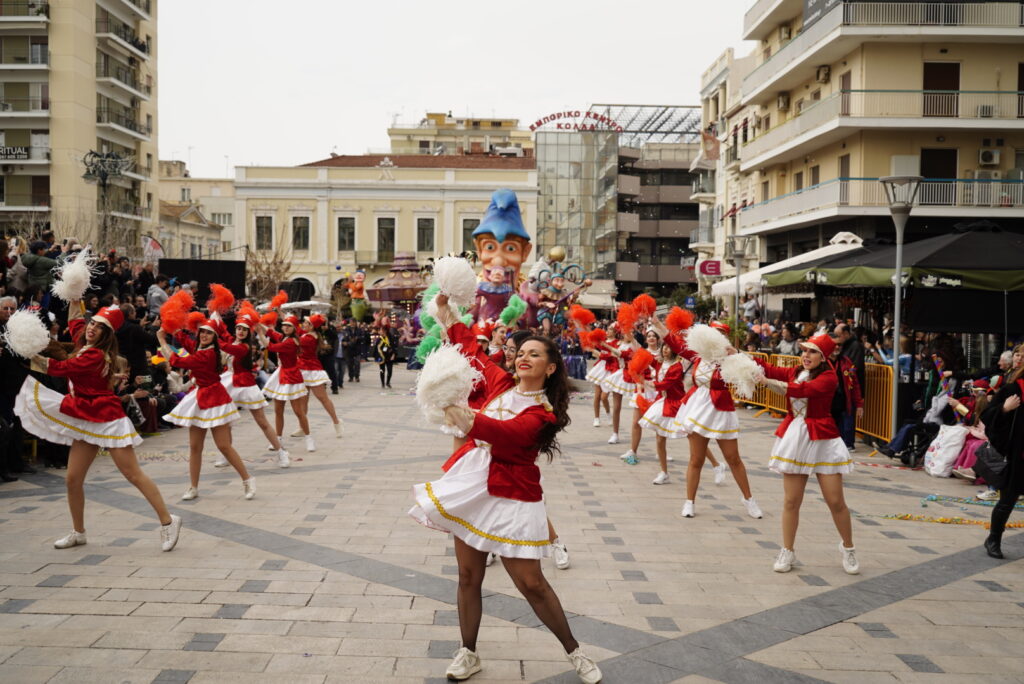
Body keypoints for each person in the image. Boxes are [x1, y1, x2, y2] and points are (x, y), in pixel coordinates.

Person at [409, 294, 602, 684]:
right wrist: (446, 312)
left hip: (514, 494)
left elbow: (504, 434)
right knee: (467, 577)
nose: (523, 358)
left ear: (550, 368)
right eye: (520, 353)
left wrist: (457, 411)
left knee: (531, 583)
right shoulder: (499, 383)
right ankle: (468, 652)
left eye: (534, 354)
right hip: (474, 486)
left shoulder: (542, 413)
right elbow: (468, 350)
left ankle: (575, 651)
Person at [15, 302, 181, 551]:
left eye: (100, 327)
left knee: (132, 474)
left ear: (108, 335)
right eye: (93, 323)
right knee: (72, 479)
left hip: (108, 418)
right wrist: (71, 296)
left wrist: (24, 353)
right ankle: (78, 531)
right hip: (85, 417)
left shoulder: (92, 354)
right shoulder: (86, 345)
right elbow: (75, 324)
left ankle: (168, 521)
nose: (92, 328)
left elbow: (60, 368)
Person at [755, 334, 858, 574]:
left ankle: (848, 548)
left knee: (835, 501)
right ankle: (787, 551)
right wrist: (736, 356)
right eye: (804, 351)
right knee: (791, 501)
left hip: (823, 438)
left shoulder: (829, 377)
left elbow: (802, 391)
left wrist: (766, 381)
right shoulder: (796, 371)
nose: (805, 356)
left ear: (824, 357)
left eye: (812, 352)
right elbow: (770, 368)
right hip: (797, 437)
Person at [671, 321, 762, 520]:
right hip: (698, 408)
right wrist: (658, 324)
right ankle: (689, 502)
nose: (716, 336)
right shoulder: (698, 355)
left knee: (733, 458)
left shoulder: (729, 358)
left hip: (721, 409)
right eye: (714, 332)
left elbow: (754, 370)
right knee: (696, 459)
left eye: (721, 333)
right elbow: (675, 344)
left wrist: (736, 353)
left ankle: (749, 499)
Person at [158, 319, 254, 501]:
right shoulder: (200, 348)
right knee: (195, 447)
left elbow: (178, 360)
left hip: (215, 398)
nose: (204, 335)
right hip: (200, 396)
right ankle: (193, 487)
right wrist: (173, 327)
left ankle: (248, 480)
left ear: (215, 338)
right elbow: (187, 342)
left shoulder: (208, 354)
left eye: (209, 333)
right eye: (202, 331)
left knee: (224, 446)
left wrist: (162, 340)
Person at [217, 313, 290, 468]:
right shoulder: (233, 340)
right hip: (229, 381)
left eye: (244, 329)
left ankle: (281, 452)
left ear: (248, 332)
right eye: (238, 328)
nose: (241, 332)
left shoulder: (245, 346)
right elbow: (223, 332)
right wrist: (216, 317)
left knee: (262, 421)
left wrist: (211, 335)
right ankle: (226, 454)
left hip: (245, 384)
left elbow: (225, 345)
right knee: (225, 421)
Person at [979, 361, 1024, 559]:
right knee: (1007, 501)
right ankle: (994, 539)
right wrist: (1004, 409)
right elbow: (987, 416)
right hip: (1017, 457)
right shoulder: (1014, 389)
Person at [262, 315, 313, 451]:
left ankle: (309, 437)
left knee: (298, 411)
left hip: (292, 376)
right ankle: (277, 439)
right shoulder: (284, 337)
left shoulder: (291, 342)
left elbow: (271, 346)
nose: (285, 327)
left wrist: (259, 332)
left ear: (294, 328)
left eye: (289, 325)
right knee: (278, 410)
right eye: (284, 325)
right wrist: (257, 323)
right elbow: (271, 332)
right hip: (281, 375)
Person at [294, 314, 343, 437]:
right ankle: (302, 427)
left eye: (305, 322)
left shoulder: (309, 338)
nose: (303, 324)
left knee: (323, 398)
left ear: (311, 326)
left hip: (312, 370)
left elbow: (294, 339)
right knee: (303, 401)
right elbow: (295, 330)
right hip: (303, 369)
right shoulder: (306, 334)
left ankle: (337, 422)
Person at [377, 323, 397, 388]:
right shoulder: (379, 339)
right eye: (379, 330)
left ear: (385, 331)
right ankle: (382, 383)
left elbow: (394, 347)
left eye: (381, 330)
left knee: (390, 370)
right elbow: (376, 349)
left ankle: (388, 382)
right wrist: (377, 357)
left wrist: (393, 354)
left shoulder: (391, 337)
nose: (380, 331)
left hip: (389, 356)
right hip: (382, 357)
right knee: (382, 370)